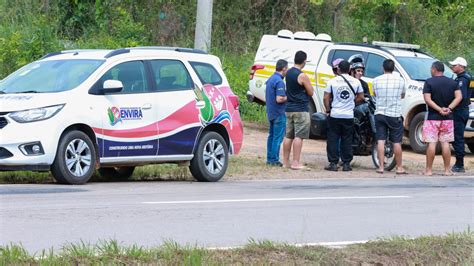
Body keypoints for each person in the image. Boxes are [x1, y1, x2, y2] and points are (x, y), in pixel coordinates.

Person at [422, 61, 462, 176]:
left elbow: (427, 99)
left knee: (432, 143)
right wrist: (449, 109)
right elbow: (459, 97)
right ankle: (447, 170)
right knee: (445, 143)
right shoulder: (452, 82)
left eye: (431, 69)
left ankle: (429, 170)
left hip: (432, 118)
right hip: (448, 118)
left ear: (434, 69)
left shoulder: (429, 82)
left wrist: (439, 109)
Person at [323, 60, 364, 171]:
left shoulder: (332, 81)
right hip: (348, 115)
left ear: (339, 70)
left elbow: (326, 97)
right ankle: (346, 164)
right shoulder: (356, 82)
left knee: (333, 138)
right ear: (350, 70)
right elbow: (361, 97)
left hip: (335, 114)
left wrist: (328, 110)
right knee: (347, 139)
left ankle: (333, 163)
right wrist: (352, 103)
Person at [372, 59, 406, 174]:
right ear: (394, 68)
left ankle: (381, 167)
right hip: (394, 114)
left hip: (380, 113)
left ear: (383, 68)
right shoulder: (400, 81)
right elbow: (402, 95)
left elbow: (375, 94)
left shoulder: (376, 80)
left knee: (380, 140)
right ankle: (399, 167)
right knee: (396, 141)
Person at [282, 51, 314, 170]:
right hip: (300, 109)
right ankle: (296, 162)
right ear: (304, 61)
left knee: (288, 135)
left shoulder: (288, 72)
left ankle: (285, 162)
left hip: (289, 108)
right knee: (299, 136)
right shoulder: (302, 75)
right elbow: (310, 92)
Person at [449, 57, 472, 172]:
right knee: (456, 136)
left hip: (459, 111)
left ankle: (459, 164)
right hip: (463, 110)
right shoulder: (468, 78)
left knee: (457, 137)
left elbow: (460, 97)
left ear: (461, 66)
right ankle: (459, 162)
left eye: (454, 65)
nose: (453, 67)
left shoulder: (463, 80)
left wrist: (450, 107)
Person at [265, 59, 288, 166]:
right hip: (279, 113)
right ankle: (274, 160)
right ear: (283, 68)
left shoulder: (271, 79)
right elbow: (279, 99)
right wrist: (289, 97)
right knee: (277, 137)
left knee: (272, 136)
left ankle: (269, 158)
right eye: (287, 68)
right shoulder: (279, 81)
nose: (287, 70)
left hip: (271, 112)